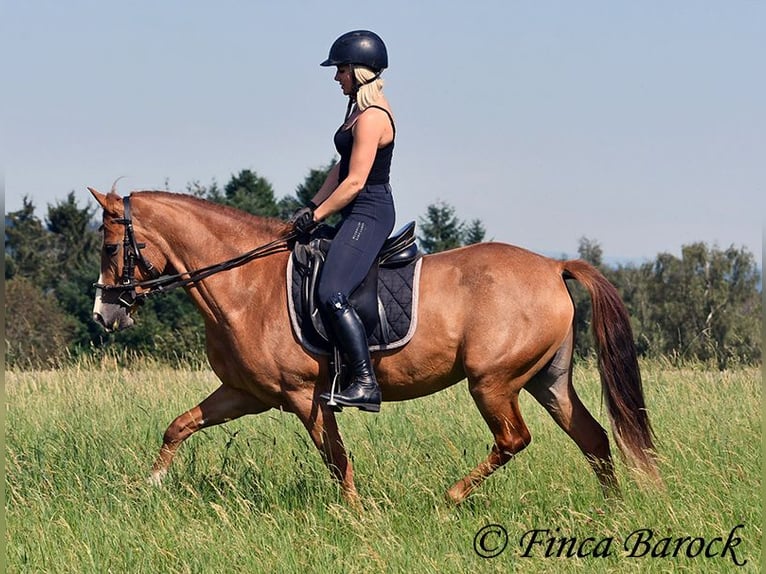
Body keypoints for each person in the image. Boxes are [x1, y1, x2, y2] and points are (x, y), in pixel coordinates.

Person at [291, 30, 396, 413]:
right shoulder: (356, 113)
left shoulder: (372, 118)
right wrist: (311, 206)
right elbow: (341, 167)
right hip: (355, 209)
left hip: (369, 211)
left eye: (340, 70)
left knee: (331, 292)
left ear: (358, 70)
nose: (337, 78)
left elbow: (355, 182)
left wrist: (319, 215)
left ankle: (365, 383)